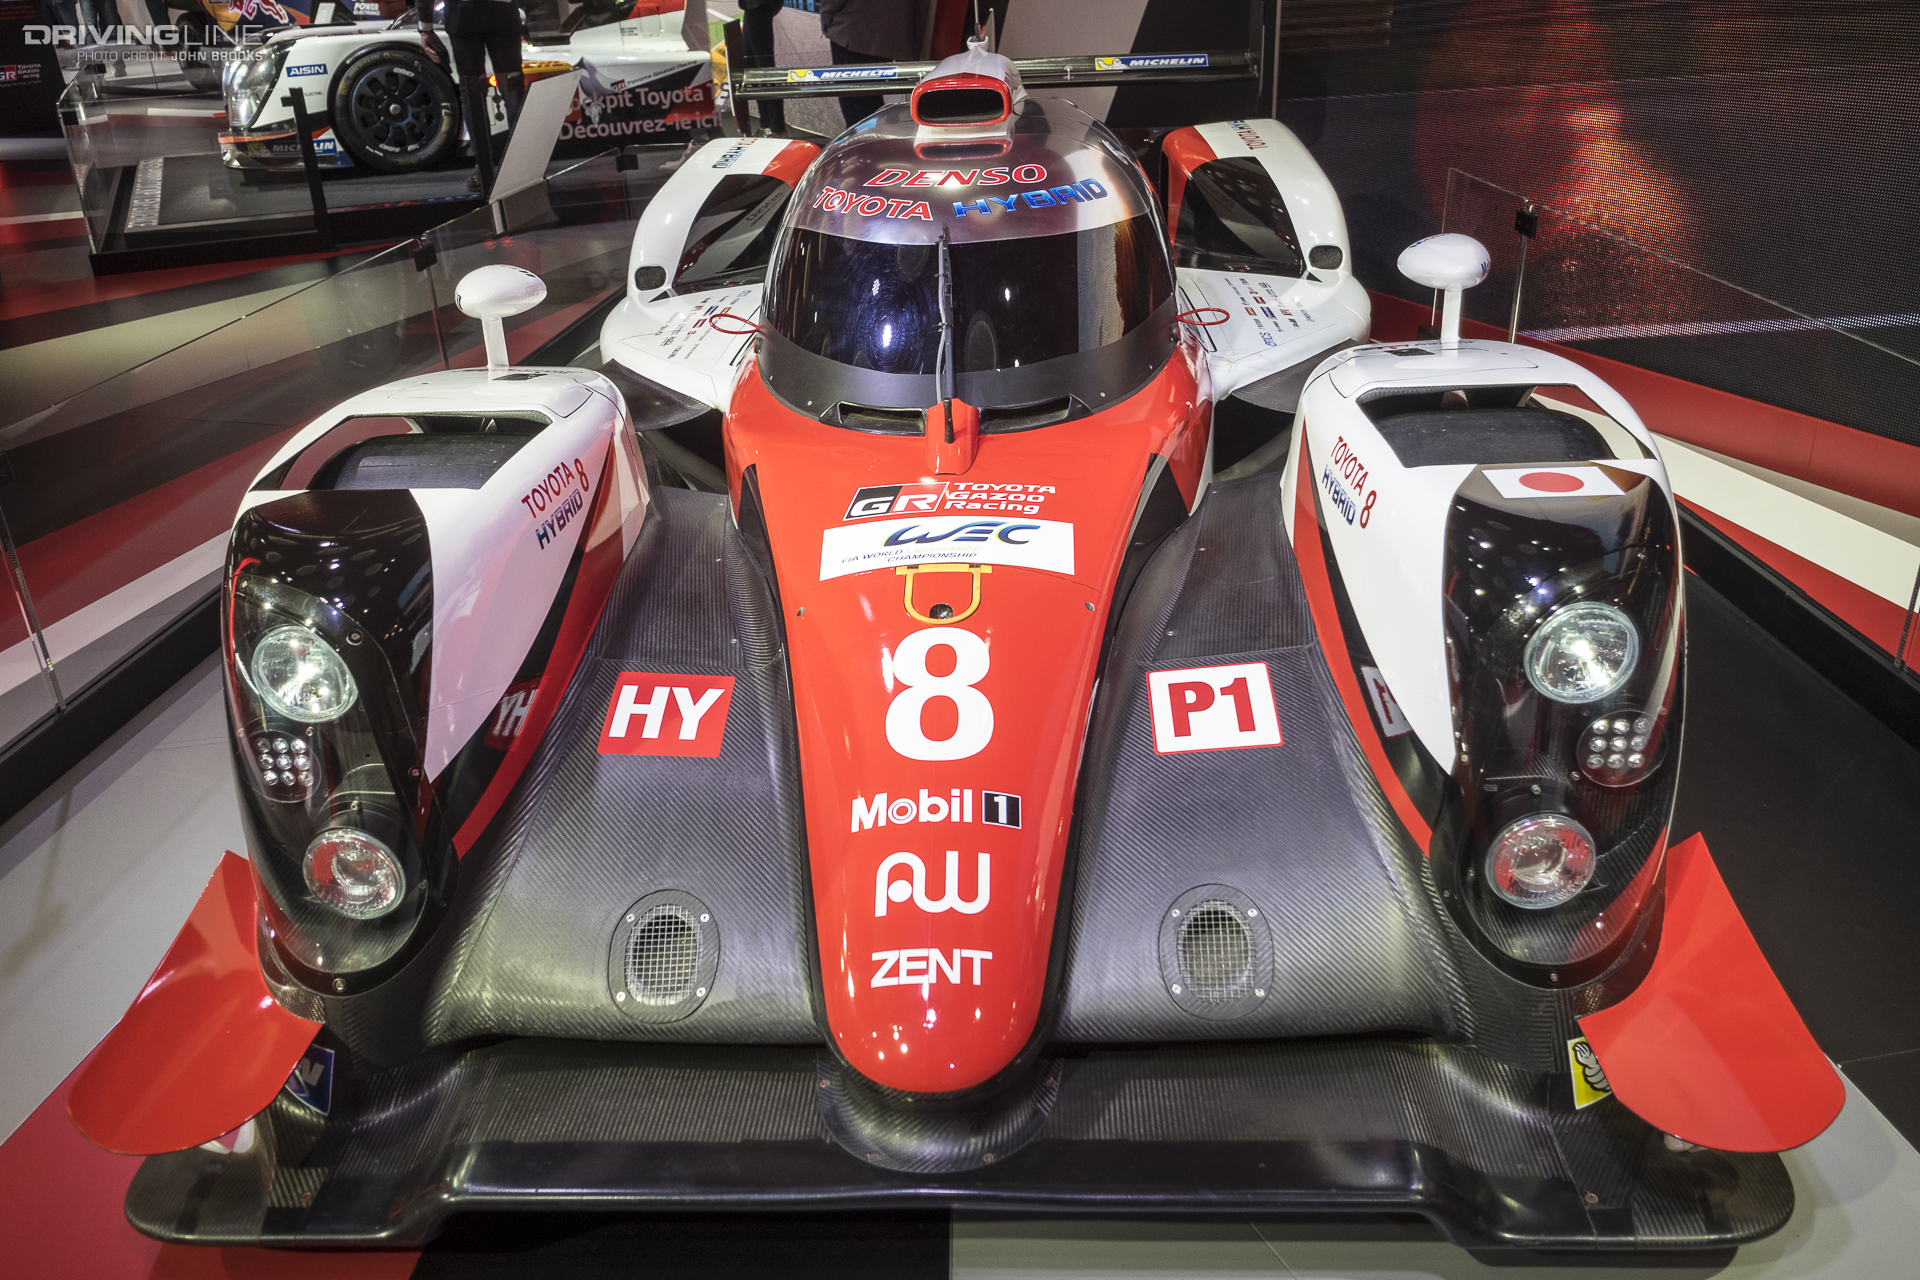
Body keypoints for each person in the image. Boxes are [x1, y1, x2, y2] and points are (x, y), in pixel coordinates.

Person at [418, 0, 526, 194]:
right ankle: (521, 166)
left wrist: (425, 28)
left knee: (474, 90)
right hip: (499, 11)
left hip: (464, 13)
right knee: (510, 88)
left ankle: (484, 167)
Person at [815, 0, 920, 128]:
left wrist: (827, 21)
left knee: (854, 99)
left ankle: (860, 137)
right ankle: (873, 135)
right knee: (873, 94)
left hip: (852, 28)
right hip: (889, 30)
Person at [736, 0, 784, 134]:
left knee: (764, 69)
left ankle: (776, 128)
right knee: (753, 67)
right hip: (753, 8)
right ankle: (767, 123)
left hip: (759, 7)